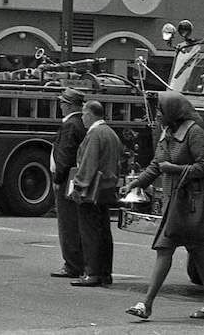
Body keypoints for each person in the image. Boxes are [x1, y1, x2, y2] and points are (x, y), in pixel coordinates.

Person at [121, 91, 204, 321]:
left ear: (173, 112)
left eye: (160, 111)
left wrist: (175, 169)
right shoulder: (167, 132)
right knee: (196, 250)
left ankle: (146, 304)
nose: (157, 115)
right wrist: (135, 184)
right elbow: (156, 165)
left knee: (168, 249)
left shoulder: (194, 132)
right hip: (174, 202)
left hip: (190, 203)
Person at [68, 100, 121, 287]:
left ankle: (92, 273)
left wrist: (78, 186)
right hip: (107, 187)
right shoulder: (111, 133)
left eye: (83, 114)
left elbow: (88, 163)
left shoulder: (95, 134)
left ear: (90, 115)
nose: (82, 118)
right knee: (104, 231)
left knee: (89, 231)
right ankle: (105, 273)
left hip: (93, 190)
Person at [50, 87, 87, 279]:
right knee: (75, 221)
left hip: (67, 180)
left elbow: (65, 154)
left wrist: (58, 178)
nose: (60, 106)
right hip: (75, 177)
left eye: (62, 103)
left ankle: (71, 265)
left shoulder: (70, 125)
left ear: (69, 105)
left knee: (67, 222)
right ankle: (79, 262)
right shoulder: (81, 123)